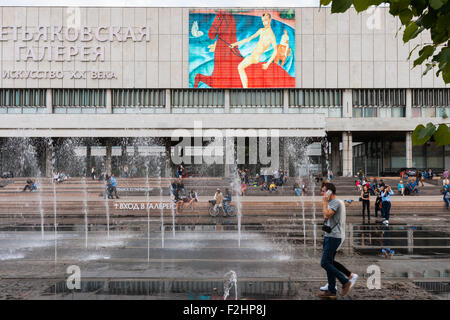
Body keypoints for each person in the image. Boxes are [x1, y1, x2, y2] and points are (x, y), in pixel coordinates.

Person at [318, 182, 353, 300]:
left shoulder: (335, 202)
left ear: (329, 192)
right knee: (330, 262)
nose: (321, 193)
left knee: (324, 263)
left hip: (334, 236)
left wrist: (324, 202)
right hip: (330, 235)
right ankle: (332, 291)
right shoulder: (334, 202)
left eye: (323, 191)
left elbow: (327, 215)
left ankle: (344, 281)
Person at [230, 13, 277, 88]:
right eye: (263, 21)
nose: (264, 22)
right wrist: (234, 44)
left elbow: (275, 51)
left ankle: (245, 88)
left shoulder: (271, 35)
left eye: (266, 20)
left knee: (240, 67)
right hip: (252, 56)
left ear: (270, 20)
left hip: (255, 57)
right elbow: (248, 39)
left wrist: (267, 64)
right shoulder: (261, 30)